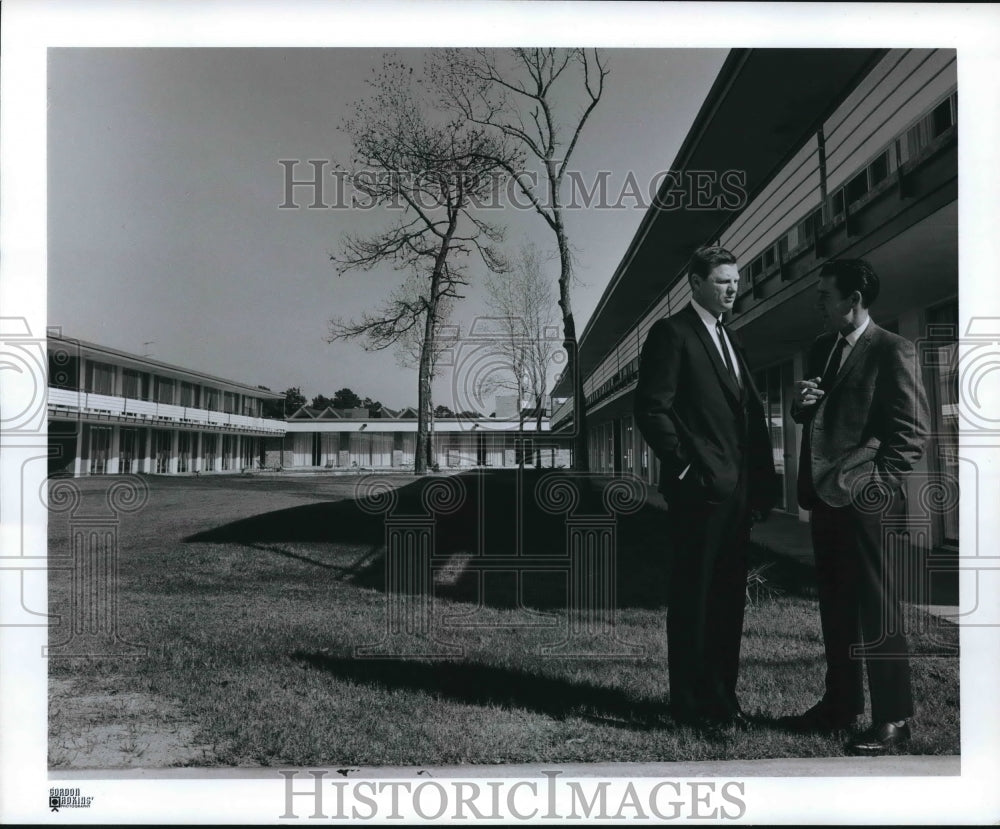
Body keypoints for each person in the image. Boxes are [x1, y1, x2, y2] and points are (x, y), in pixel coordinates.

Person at [782, 258, 929, 755]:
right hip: (824, 500)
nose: (818, 302)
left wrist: (875, 486)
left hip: (866, 504)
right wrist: (802, 406)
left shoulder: (893, 349)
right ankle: (841, 704)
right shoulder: (823, 348)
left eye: (826, 294)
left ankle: (894, 719)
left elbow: (910, 434)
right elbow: (821, 419)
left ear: (854, 299)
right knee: (837, 609)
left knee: (878, 610)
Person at [634, 245, 777, 728]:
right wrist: (685, 471)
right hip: (698, 492)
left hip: (735, 494)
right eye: (722, 281)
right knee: (694, 600)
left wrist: (759, 486)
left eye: (735, 280)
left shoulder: (728, 338)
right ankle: (689, 706)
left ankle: (723, 699)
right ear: (694, 283)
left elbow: (745, 414)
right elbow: (651, 408)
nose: (733, 288)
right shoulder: (671, 334)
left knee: (728, 602)